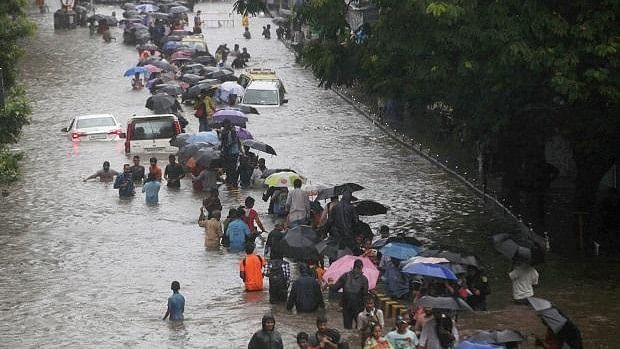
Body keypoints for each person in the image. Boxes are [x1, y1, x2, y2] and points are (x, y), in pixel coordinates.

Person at [331, 259, 369, 329]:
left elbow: (334, 288)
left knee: (347, 328)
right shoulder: (364, 279)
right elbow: (365, 294)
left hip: (346, 304)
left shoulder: (345, 276)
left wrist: (330, 284)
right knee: (360, 327)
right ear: (361, 267)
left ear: (353, 266)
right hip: (359, 305)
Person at [219, 119, 242, 188]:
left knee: (232, 167)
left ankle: (233, 182)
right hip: (227, 152)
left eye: (227, 124)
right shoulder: (224, 132)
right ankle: (230, 181)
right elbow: (223, 142)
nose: (226, 126)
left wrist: (228, 146)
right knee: (228, 167)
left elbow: (235, 141)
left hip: (233, 152)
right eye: (225, 124)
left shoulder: (233, 131)